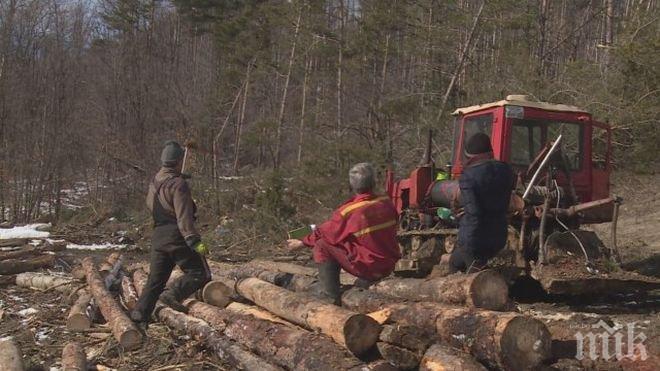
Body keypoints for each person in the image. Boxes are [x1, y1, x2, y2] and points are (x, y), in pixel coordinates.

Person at [286, 163, 400, 304]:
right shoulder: (386, 203)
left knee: (322, 245)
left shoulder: (348, 212)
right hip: (389, 264)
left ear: (351, 184)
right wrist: (304, 233)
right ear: (374, 181)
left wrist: (302, 241)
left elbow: (324, 232)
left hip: (371, 267)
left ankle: (329, 296)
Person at [131, 140, 211, 327]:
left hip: (159, 236)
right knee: (200, 273)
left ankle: (138, 314)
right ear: (178, 160)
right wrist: (194, 241)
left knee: (156, 280)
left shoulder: (155, 182)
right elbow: (184, 216)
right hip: (177, 236)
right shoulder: (178, 184)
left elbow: (151, 205)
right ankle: (172, 295)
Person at [449, 133, 514, 273]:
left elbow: (474, 213)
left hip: (476, 238)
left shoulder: (468, 176)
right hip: (498, 237)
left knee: (462, 268)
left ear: (470, 155)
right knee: (458, 261)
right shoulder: (506, 170)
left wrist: (466, 242)